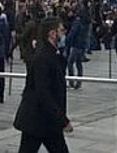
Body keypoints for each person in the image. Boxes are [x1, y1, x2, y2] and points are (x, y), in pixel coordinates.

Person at [13, 17, 72, 153]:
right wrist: (62, 120)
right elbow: (43, 92)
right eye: (61, 30)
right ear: (52, 33)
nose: (63, 34)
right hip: (37, 118)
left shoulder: (51, 54)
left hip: (46, 120)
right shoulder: (43, 57)